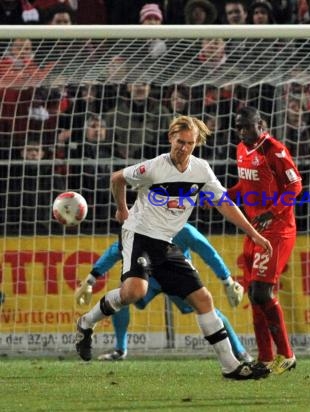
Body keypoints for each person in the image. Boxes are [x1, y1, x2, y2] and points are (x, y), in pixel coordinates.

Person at [75, 115, 272, 380]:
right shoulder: (156, 167)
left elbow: (225, 203)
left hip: (166, 243)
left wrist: (254, 234)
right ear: (171, 139)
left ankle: (231, 366)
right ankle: (87, 323)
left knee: (203, 300)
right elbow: (117, 178)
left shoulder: (201, 170)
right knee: (134, 292)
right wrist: (122, 209)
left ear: (196, 143)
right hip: (139, 234)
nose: (184, 147)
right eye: (180, 142)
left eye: (190, 143)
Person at [74, 223, 253, 363]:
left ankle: (240, 352)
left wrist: (227, 280)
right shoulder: (143, 228)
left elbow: (208, 252)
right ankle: (120, 349)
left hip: (178, 279)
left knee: (206, 308)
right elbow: (116, 250)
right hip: (149, 280)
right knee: (122, 296)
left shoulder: (185, 230)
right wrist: (91, 279)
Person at [226, 106, 302, 374]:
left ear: (261, 124)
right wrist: (224, 196)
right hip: (253, 230)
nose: (242, 131)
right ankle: (265, 359)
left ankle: (287, 355)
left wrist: (273, 212)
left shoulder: (274, 150)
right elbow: (245, 187)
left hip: (278, 231)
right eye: (238, 127)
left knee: (262, 291)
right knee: (255, 295)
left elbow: (295, 186)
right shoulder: (240, 149)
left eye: (247, 126)